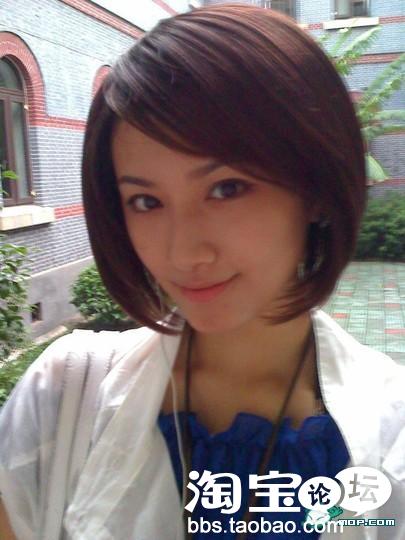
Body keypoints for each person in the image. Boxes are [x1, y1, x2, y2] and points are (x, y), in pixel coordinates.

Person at [1, 3, 404, 539]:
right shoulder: (63, 395)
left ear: (313, 187)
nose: (184, 253)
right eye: (146, 201)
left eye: (226, 189)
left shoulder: (393, 427)